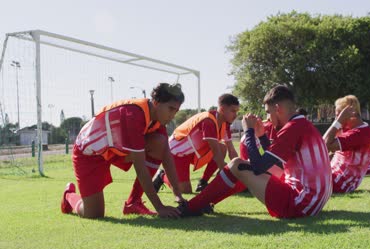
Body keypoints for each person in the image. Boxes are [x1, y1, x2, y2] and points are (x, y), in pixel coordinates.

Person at [178, 85, 333, 218]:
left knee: (237, 165)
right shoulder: (302, 124)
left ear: (277, 109)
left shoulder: (292, 128)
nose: (267, 117)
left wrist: (249, 131)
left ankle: (191, 207)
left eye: (268, 112)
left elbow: (259, 167)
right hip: (313, 201)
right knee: (245, 166)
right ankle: (205, 203)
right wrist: (262, 136)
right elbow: (273, 162)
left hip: (301, 203)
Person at [60, 83, 185, 219]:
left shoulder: (157, 119)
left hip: (113, 150)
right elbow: (140, 167)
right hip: (89, 152)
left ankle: (133, 203)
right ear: (156, 102)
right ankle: (69, 196)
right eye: (170, 109)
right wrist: (160, 208)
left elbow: (166, 155)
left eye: (176, 111)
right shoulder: (134, 114)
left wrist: (178, 195)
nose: (172, 115)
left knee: (160, 143)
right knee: (93, 214)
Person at [153, 94, 240, 194]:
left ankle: (203, 183)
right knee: (185, 191)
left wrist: (238, 168)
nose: (235, 115)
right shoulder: (209, 121)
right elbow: (217, 155)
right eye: (233, 111)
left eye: (236, 111)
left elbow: (232, 151)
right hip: (176, 153)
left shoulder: (225, 124)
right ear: (222, 109)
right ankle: (162, 176)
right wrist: (230, 178)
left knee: (222, 148)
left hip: (193, 152)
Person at [323, 95, 370, 193]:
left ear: (351, 115)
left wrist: (338, 121)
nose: (336, 119)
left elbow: (324, 145)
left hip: (339, 182)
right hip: (334, 178)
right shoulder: (353, 128)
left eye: (338, 115)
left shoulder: (359, 133)